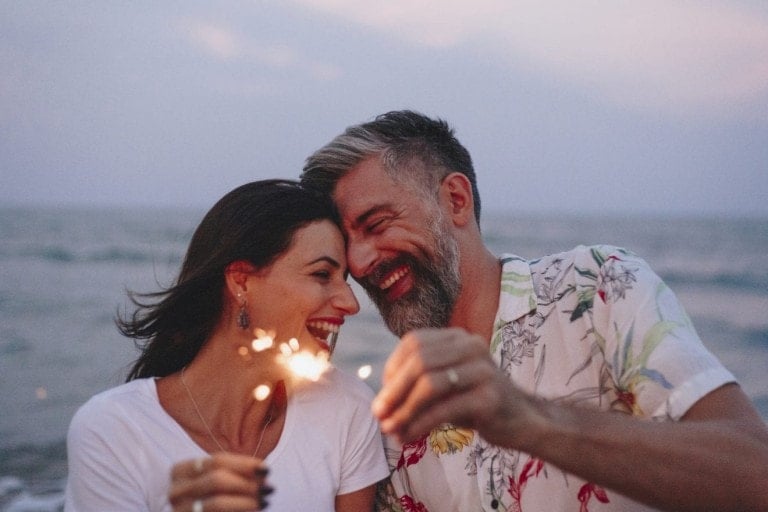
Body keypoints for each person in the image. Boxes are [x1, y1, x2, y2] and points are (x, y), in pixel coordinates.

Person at [299, 110, 768, 512]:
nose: (359, 264)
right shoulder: (399, 424)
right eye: (347, 245)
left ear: (455, 201)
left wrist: (529, 420)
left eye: (377, 224)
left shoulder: (597, 290)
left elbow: (756, 473)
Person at [64, 179, 389, 511]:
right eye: (322, 275)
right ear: (241, 282)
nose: (350, 303)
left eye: (345, 281)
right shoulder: (114, 431)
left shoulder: (346, 408)